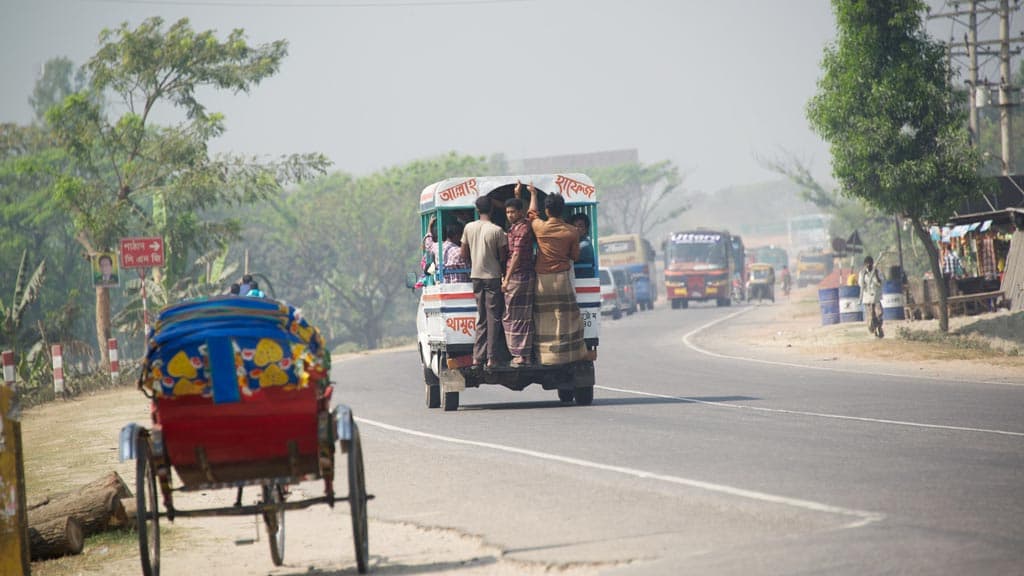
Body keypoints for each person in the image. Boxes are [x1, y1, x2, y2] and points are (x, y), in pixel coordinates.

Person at [524, 182, 588, 365]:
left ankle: (544, 355)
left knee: (542, 317)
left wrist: (533, 194)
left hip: (542, 281)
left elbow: (531, 215)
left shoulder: (540, 227)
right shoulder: (572, 231)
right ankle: (567, 354)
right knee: (566, 316)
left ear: (547, 210)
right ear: (563, 211)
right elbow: (575, 256)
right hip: (561, 279)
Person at [461, 195, 509, 368]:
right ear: (492, 209)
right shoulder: (496, 230)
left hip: (476, 276)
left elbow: (464, 253)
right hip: (493, 277)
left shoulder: (468, 228)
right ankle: (491, 357)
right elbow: (503, 256)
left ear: (477, 210)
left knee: (481, 317)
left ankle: (477, 357)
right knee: (493, 318)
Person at [502, 196, 536, 366]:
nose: (509, 215)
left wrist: (506, 279)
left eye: (512, 212)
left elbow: (516, 254)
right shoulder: (515, 227)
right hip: (519, 276)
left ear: (519, 212)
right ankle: (524, 354)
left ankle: (520, 355)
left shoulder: (523, 228)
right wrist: (517, 192)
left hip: (519, 276)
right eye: (507, 212)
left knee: (515, 317)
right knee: (520, 316)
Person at [858, 256, 884, 338]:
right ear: (865, 265)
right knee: (870, 318)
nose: (868, 266)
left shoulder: (877, 272)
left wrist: (875, 276)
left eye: (870, 264)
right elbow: (861, 285)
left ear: (872, 264)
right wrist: (864, 280)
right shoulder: (862, 273)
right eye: (867, 264)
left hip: (876, 298)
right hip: (867, 299)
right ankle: (874, 330)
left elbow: (881, 282)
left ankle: (879, 328)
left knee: (879, 314)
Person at [568, 213, 595, 278]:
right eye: (574, 226)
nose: (576, 228)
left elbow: (567, 257)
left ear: (586, 229)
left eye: (580, 226)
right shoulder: (577, 242)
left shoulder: (584, 245)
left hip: (584, 280)